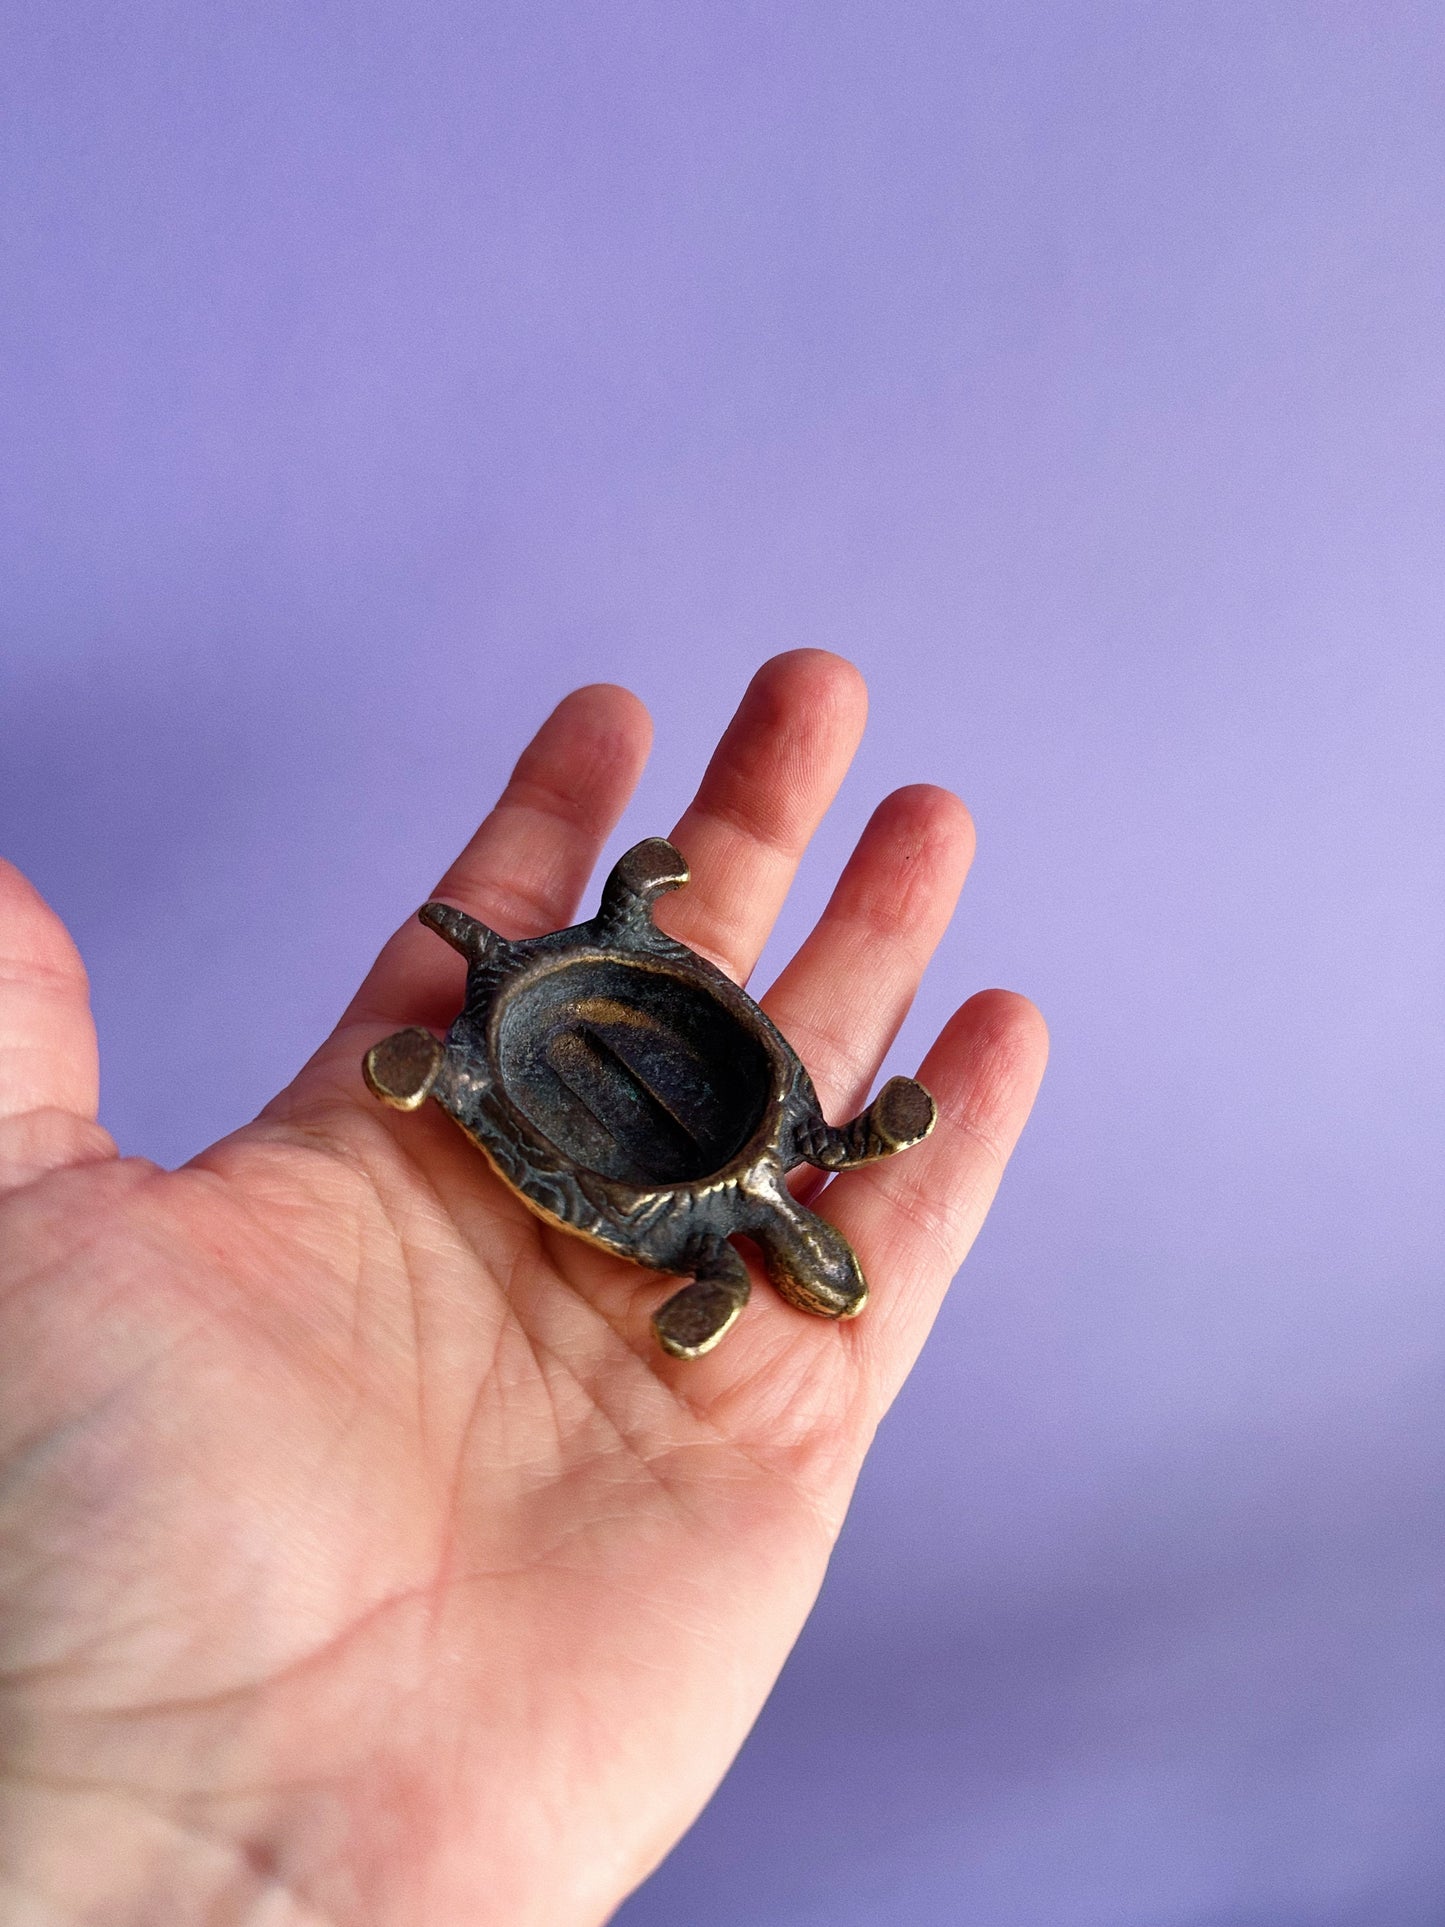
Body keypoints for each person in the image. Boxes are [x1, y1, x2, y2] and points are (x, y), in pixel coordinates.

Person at [0, 650, 1047, 1924]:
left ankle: (454, 1067)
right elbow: (854, 1132)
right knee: (621, 950)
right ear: (800, 1260)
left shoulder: (732, 1225)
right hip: (565, 1049)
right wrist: (873, 1130)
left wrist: (811, 1196)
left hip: (563, 1081)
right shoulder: (791, 1159)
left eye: (821, 1274)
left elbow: (826, 1163)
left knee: (601, 974)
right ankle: (452, 1066)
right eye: (827, 1274)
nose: (822, 1276)